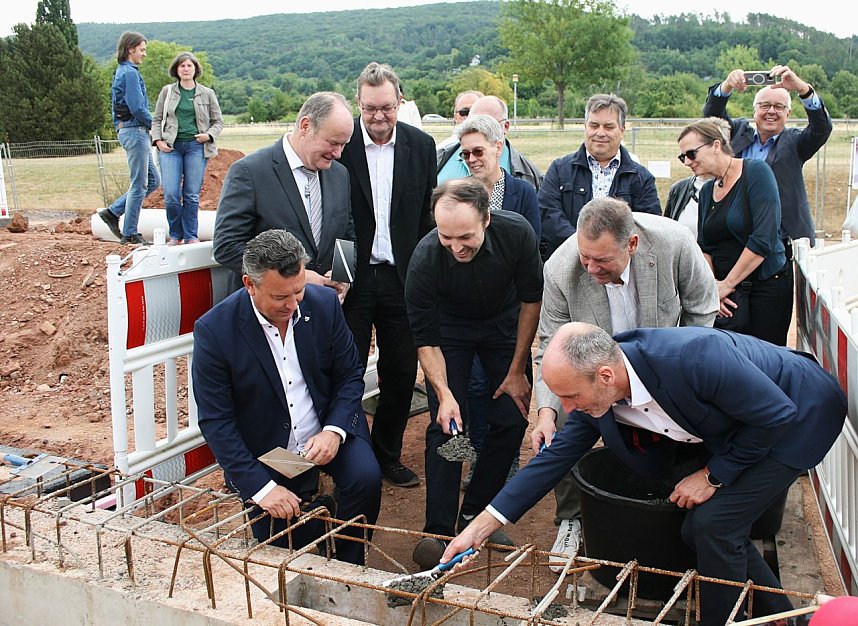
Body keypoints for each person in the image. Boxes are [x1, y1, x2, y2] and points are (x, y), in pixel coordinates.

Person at [445, 322, 846, 626]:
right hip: (745, 426)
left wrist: (712, 476)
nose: (567, 407)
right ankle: (786, 617)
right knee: (699, 528)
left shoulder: (692, 357)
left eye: (570, 397)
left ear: (605, 376)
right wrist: (479, 527)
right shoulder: (598, 400)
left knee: (713, 525)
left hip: (798, 413)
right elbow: (551, 462)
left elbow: (775, 415)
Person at [533, 196, 719, 572]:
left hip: (663, 367)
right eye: (585, 257)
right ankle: (571, 519)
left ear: (632, 244)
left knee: (686, 426)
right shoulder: (560, 268)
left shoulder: (674, 242)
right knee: (564, 420)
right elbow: (547, 345)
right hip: (592, 370)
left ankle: (687, 508)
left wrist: (681, 375)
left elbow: (702, 309)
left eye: (601, 260)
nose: (590, 267)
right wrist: (545, 411)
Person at [192, 229, 381, 565]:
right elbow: (217, 421)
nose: (293, 305)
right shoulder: (215, 331)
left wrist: (334, 430)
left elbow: (350, 375)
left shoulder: (322, 306)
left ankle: (351, 565)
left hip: (324, 427)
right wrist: (263, 490)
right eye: (281, 298)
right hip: (268, 447)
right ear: (249, 284)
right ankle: (314, 527)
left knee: (365, 478)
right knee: (282, 544)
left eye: (298, 291)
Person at [404, 178, 543, 570]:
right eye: (446, 237)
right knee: (449, 427)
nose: (456, 247)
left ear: (486, 218)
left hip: (504, 325)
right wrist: (445, 395)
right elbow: (426, 338)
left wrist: (517, 369)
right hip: (451, 333)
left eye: (465, 236)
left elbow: (531, 301)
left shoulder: (517, 233)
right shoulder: (426, 257)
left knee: (510, 417)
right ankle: (440, 528)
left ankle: (477, 513)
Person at [337, 62, 437, 488]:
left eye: (386, 108)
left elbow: (425, 220)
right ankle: (348, 456)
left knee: (400, 373)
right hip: (352, 280)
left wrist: (423, 276)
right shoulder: (342, 145)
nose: (378, 117)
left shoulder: (422, 145)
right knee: (347, 371)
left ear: (400, 102)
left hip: (402, 279)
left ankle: (386, 455)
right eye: (369, 109)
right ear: (358, 104)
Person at [455, 113, 541, 479]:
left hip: (511, 310)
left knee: (511, 380)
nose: (472, 159)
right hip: (470, 310)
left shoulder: (522, 193)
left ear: (497, 146)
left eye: (478, 151)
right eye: (465, 154)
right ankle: (479, 457)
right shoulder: (460, 194)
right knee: (475, 388)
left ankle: (508, 459)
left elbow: (531, 248)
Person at [213, 92, 354, 297]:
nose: (338, 153)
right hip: (266, 315)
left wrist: (343, 275)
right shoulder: (250, 172)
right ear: (306, 126)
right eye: (333, 143)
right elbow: (227, 247)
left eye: (343, 144)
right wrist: (296, 276)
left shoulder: (339, 174)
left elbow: (346, 237)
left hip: (322, 314)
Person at [678, 118, 791, 346]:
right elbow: (705, 245)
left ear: (716, 145)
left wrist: (726, 285)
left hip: (765, 287)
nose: (687, 162)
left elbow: (764, 238)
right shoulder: (709, 189)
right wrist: (715, 289)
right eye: (682, 157)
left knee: (766, 359)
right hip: (729, 295)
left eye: (691, 154)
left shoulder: (756, 172)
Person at [703, 64, 832, 247]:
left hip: (782, 238)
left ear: (788, 113)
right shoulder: (737, 133)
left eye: (779, 106)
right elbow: (712, 118)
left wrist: (802, 89)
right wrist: (726, 86)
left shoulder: (796, 143)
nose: (771, 111)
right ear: (754, 110)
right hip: (736, 235)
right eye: (765, 105)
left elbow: (821, 128)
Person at [539, 94, 661, 261]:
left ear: (622, 130)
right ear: (585, 127)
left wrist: (607, 253)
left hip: (621, 269)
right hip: (569, 263)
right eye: (594, 125)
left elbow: (648, 226)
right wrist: (583, 249)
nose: (600, 133)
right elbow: (548, 214)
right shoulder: (559, 170)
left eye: (609, 127)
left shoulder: (642, 178)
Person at [151, 51, 224, 245]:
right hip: (171, 147)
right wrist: (158, 141)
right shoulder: (167, 92)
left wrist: (208, 135)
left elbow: (218, 121)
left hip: (195, 147)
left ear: (195, 69)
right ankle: (176, 234)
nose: (185, 69)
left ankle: (191, 235)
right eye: (182, 65)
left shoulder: (207, 93)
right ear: (176, 69)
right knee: (171, 193)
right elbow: (157, 119)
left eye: (189, 65)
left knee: (191, 194)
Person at [97, 31, 160, 246]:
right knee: (139, 184)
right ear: (131, 48)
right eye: (142, 49)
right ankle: (130, 233)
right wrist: (156, 127)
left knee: (153, 181)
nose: (144, 54)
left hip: (131, 130)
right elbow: (137, 107)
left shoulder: (124, 71)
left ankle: (113, 212)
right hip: (135, 131)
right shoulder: (130, 74)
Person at [437, 95, 542, 191]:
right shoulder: (440, 157)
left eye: (489, 124)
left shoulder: (528, 175)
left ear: (506, 126)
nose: (479, 130)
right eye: (473, 122)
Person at [663, 174, 711, 238]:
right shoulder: (678, 189)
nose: (686, 163)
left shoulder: (726, 190)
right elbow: (666, 231)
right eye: (683, 162)